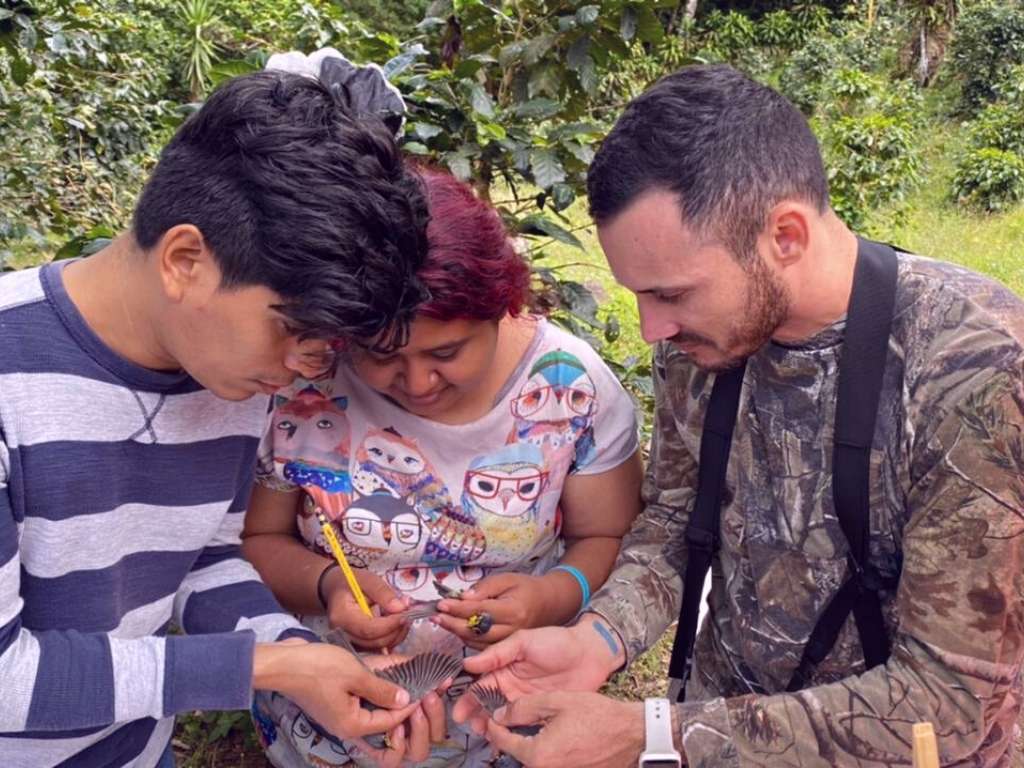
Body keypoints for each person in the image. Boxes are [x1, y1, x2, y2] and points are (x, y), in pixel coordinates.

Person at [453, 64, 1024, 767]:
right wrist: (593, 641)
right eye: (638, 294)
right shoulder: (703, 340)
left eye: (671, 293)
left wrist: (653, 735)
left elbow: (949, 701)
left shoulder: (974, 366)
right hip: (721, 722)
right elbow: (674, 519)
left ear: (784, 234)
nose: (650, 327)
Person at [0, 68, 437, 768]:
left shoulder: (228, 376)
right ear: (184, 260)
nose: (305, 367)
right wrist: (268, 669)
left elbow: (202, 557)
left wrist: (300, 657)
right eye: (293, 329)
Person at [241, 166, 643, 767]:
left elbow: (606, 535)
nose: (419, 382)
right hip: (333, 714)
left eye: (447, 352)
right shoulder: (306, 388)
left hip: (508, 712)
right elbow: (258, 537)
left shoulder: (571, 390)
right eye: (381, 356)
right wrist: (329, 589)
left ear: (503, 307)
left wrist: (551, 598)